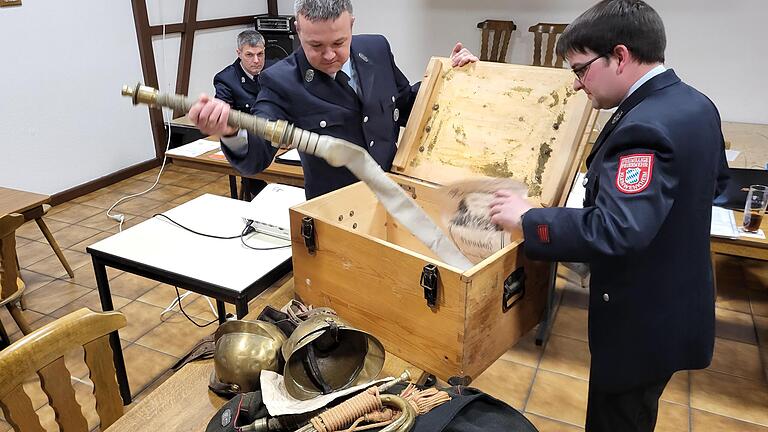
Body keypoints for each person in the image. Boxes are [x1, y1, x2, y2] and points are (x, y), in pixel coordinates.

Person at [488, 1, 728, 431]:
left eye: (581, 69)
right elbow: (710, 186)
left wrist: (530, 219)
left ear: (620, 56)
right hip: (675, 303)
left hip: (640, 321)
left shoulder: (646, 125)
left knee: (617, 420)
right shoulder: (695, 103)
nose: (578, 84)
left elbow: (617, 230)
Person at [188, 0, 477, 199]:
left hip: (397, 197)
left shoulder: (376, 49)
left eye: (339, 43)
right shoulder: (281, 81)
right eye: (315, 45)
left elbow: (404, 104)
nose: (329, 55)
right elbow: (256, 157)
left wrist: (448, 78)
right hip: (336, 212)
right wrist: (230, 131)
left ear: (351, 24)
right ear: (298, 30)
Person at [213, 30, 268, 198]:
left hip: (279, 138)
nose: (256, 61)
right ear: (239, 53)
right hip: (249, 143)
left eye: (260, 54)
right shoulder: (226, 79)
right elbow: (225, 116)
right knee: (259, 184)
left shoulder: (276, 69)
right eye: (249, 55)